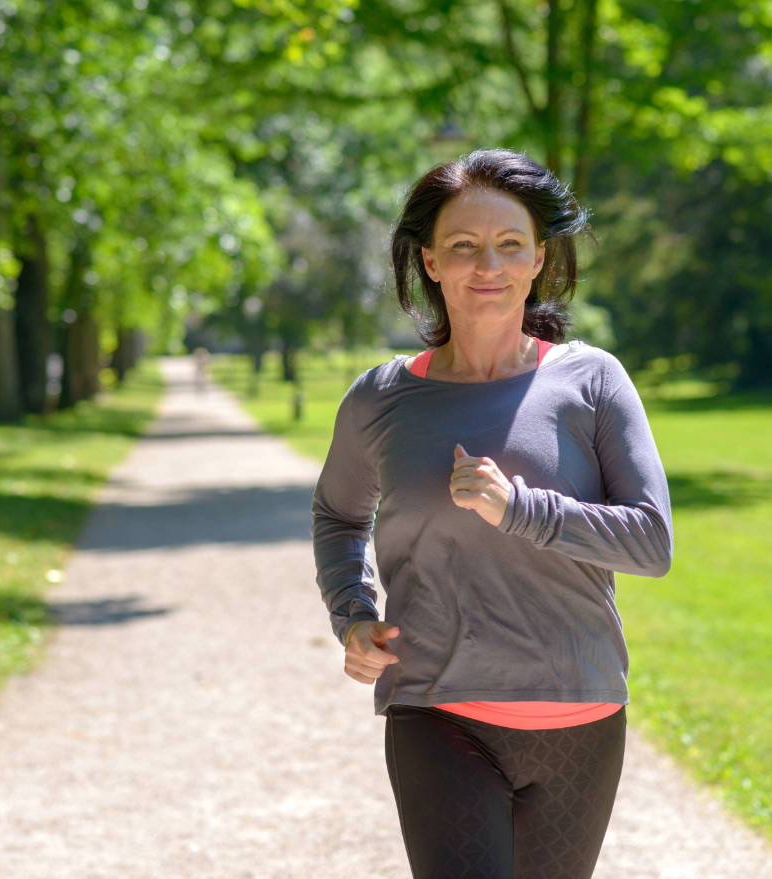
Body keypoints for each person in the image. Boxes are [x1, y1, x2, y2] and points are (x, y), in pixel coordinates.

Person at [310, 148, 674, 879]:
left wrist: (522, 509)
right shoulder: (380, 399)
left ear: (540, 258)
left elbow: (650, 538)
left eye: (511, 245)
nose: (490, 265)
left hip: (580, 709)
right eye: (464, 246)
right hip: (436, 709)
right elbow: (338, 514)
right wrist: (353, 613)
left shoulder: (592, 380)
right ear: (430, 262)